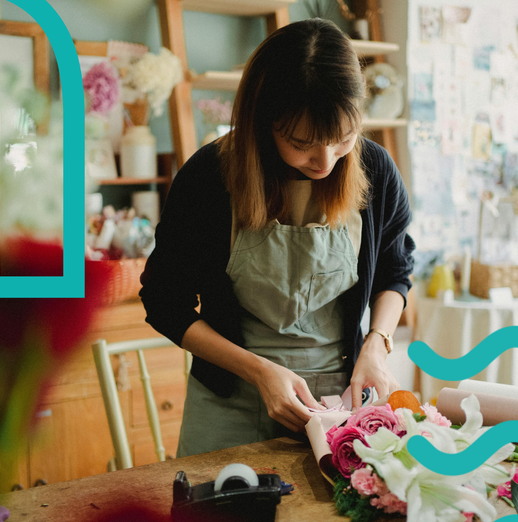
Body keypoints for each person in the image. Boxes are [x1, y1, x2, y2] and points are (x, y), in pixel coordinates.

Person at [139, 18, 415, 458]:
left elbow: (394, 272)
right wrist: (259, 371)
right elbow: (164, 301)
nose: (324, 160)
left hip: (338, 401)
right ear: (264, 122)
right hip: (229, 396)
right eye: (303, 142)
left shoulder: (376, 171)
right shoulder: (210, 177)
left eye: (343, 138)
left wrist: (376, 347)